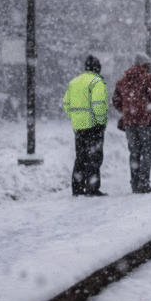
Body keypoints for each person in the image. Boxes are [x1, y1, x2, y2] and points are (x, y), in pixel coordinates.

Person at [112, 54, 151, 193]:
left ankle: (134, 183)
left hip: (129, 122)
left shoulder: (122, 81)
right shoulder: (148, 79)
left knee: (134, 153)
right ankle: (143, 183)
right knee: (148, 152)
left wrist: (127, 111)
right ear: (145, 65)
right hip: (145, 121)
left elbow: (116, 101)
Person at [62, 55, 108, 196]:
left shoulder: (74, 82)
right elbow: (98, 103)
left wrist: (75, 118)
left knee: (80, 157)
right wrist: (100, 122)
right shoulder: (96, 82)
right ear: (98, 68)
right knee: (94, 157)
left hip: (78, 126)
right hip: (93, 125)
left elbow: (66, 103)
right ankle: (91, 188)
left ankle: (77, 188)